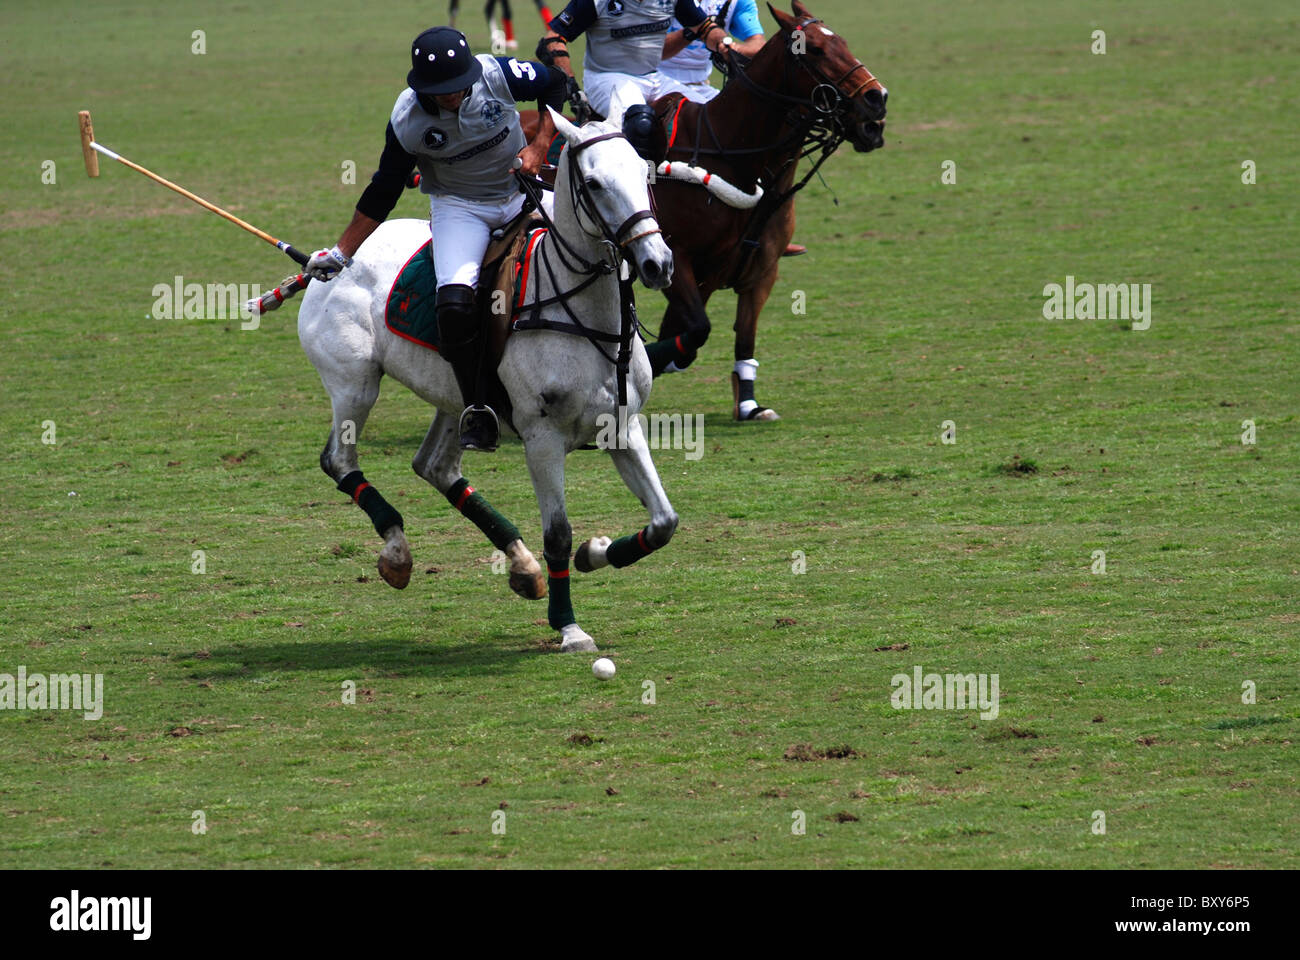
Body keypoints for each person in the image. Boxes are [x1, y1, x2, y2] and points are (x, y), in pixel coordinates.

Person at [304, 26, 567, 452]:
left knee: (601, 244)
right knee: (455, 306)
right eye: (444, 90)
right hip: (461, 208)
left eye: (461, 86)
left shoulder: (496, 73)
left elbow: (556, 84)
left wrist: (539, 144)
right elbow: (383, 190)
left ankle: (622, 358)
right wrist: (341, 252)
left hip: (523, 190)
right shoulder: (408, 120)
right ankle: (478, 407)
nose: (455, 95)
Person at [540, 0, 733, 126]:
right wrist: (571, 85)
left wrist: (724, 44)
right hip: (605, 77)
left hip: (653, 77)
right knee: (639, 123)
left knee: (708, 117)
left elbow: (705, 27)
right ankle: (651, 183)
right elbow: (553, 39)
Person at [659, 0, 763, 104]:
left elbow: (759, 45)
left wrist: (731, 48)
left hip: (700, 86)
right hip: (656, 80)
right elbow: (651, 52)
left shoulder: (735, 2)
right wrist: (698, 29)